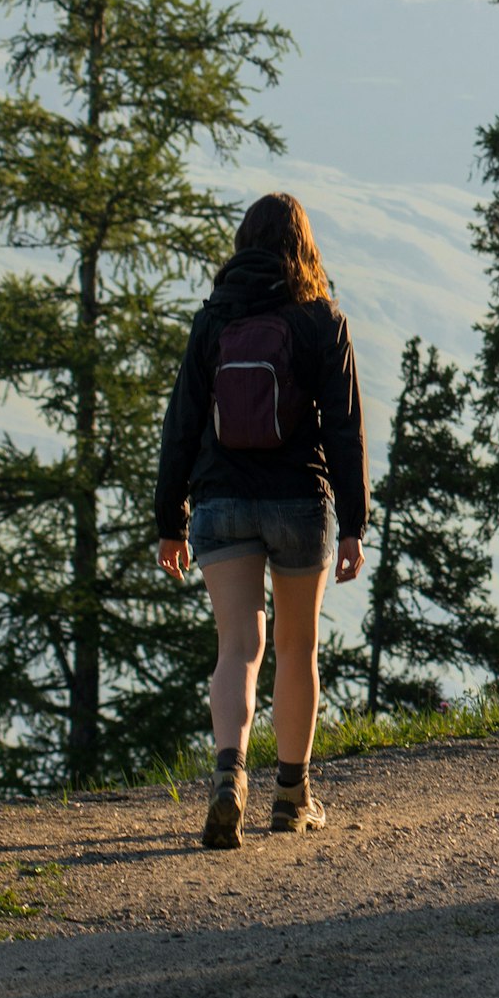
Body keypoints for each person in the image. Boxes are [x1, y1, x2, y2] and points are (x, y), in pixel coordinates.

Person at [154, 192, 368, 848]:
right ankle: (291, 797)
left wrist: (171, 520)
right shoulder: (321, 320)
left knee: (237, 648)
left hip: (221, 503)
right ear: (303, 245)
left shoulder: (214, 319)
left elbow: (182, 423)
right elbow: (345, 427)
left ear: (244, 244)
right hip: (300, 502)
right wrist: (354, 523)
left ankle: (228, 778)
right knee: (296, 647)